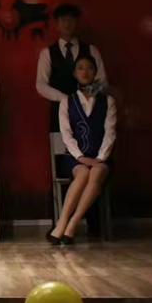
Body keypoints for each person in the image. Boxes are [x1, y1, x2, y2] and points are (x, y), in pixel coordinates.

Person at [47, 55, 116, 245]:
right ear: (75, 73)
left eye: (89, 68)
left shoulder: (107, 101)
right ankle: (62, 222)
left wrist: (100, 157)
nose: (85, 72)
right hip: (75, 157)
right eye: (80, 68)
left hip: (100, 157)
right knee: (83, 173)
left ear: (95, 72)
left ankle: (73, 223)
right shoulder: (67, 101)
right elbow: (66, 134)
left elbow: (110, 133)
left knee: (96, 173)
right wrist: (80, 157)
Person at [36, 4, 106, 131]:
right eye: (63, 20)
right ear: (57, 25)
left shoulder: (91, 50)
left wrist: (85, 97)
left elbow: (102, 81)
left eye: (71, 20)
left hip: (88, 114)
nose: (67, 24)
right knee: (60, 143)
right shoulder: (47, 53)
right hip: (59, 116)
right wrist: (66, 99)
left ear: (77, 23)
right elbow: (41, 85)